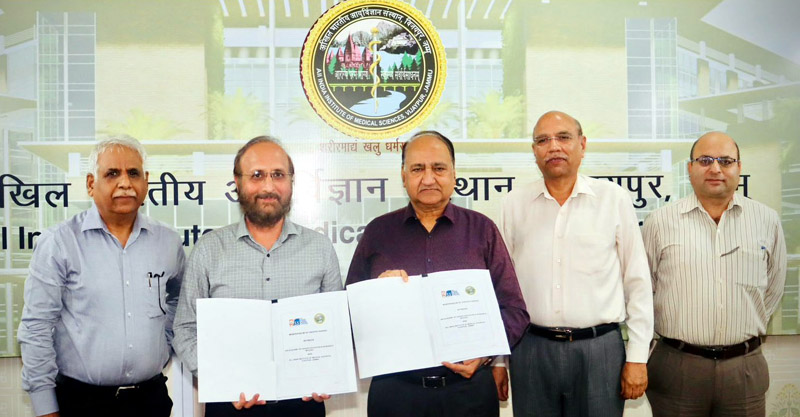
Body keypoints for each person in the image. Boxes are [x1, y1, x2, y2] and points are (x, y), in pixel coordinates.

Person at [346, 130, 529, 417]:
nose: (428, 178)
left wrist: (485, 353)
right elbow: (350, 314)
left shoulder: (482, 230)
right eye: (418, 169)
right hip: (395, 395)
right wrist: (375, 295)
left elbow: (515, 310)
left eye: (439, 168)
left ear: (454, 174)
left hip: (469, 393)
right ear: (403, 176)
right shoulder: (378, 232)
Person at [172, 136, 342, 417]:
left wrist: (328, 374)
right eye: (256, 175)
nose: (268, 186)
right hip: (229, 404)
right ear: (237, 183)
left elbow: (335, 329)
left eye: (278, 175)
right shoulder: (209, 249)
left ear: (291, 182)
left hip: (302, 406)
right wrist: (221, 381)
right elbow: (186, 329)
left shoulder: (320, 248)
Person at [500, 111, 653, 416]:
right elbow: (501, 289)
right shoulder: (513, 204)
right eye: (543, 140)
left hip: (600, 351)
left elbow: (637, 282)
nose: (553, 147)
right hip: (531, 348)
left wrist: (637, 357)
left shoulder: (614, 199)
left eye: (563, 138)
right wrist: (498, 361)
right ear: (534, 152)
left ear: (582, 145)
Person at [17, 136, 184, 417]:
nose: (125, 183)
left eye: (134, 173)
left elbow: (179, 299)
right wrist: (45, 408)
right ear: (91, 184)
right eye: (112, 173)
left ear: (146, 182)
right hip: (81, 403)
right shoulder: (59, 242)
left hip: (151, 400)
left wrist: (164, 343)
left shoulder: (167, 242)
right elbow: (36, 327)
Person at [642, 131, 786, 416]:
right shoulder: (660, 222)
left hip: (743, 369)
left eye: (726, 160)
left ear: (739, 168)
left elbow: (774, 287)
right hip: (677, 366)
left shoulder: (766, 220)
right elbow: (642, 291)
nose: (716, 168)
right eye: (705, 160)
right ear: (690, 168)